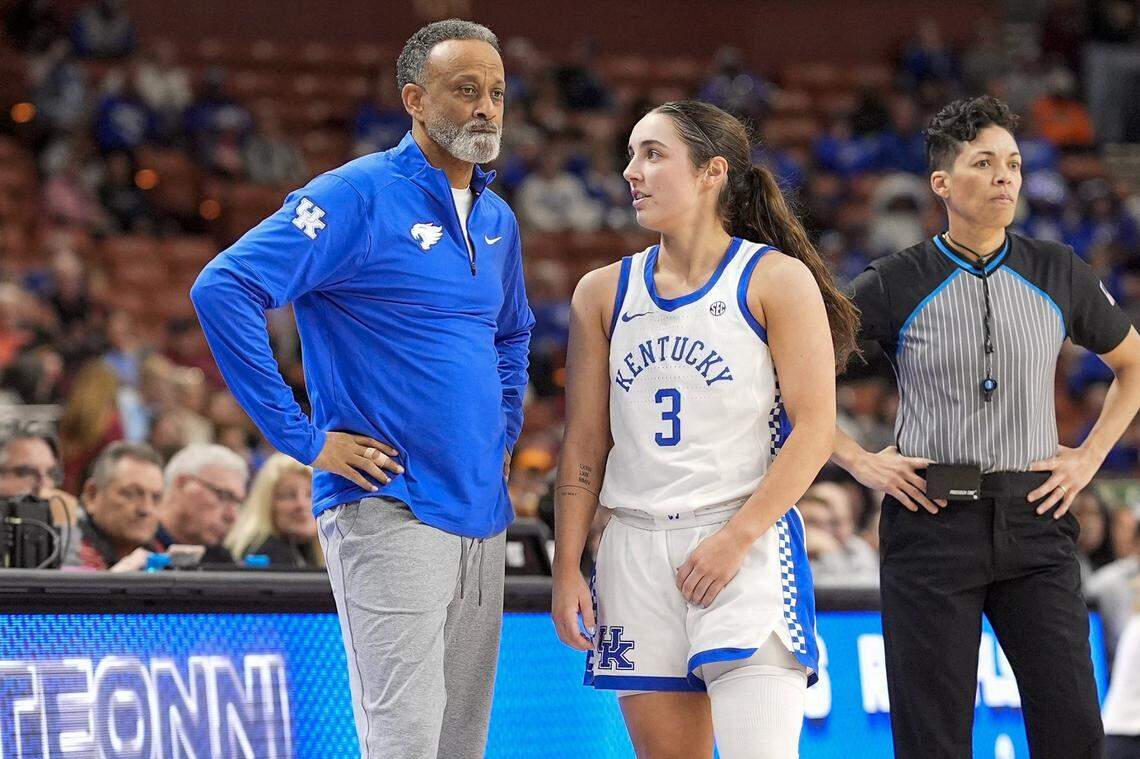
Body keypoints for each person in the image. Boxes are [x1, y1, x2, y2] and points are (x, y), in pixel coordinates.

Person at [190, 19, 533, 759]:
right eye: (466, 90)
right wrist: (303, 437)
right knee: (405, 740)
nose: (486, 109)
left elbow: (510, 334)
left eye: (497, 93)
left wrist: (503, 429)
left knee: (457, 743)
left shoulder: (499, 218)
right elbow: (225, 287)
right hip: (390, 503)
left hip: (482, 509)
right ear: (414, 98)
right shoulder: (356, 194)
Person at [831, 95, 1140, 759]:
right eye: (985, 162)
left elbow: (1132, 365)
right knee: (933, 740)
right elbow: (788, 381)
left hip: (1038, 518)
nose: (1006, 176)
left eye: (1014, 163)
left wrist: (1088, 460)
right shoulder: (893, 281)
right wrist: (860, 460)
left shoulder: (1059, 268)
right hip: (931, 521)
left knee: (1075, 733)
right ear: (942, 183)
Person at [552, 100, 858, 759]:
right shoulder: (600, 293)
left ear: (713, 171)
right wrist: (567, 564)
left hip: (741, 543)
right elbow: (582, 444)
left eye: (653, 153)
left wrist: (736, 538)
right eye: (631, 154)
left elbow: (814, 428)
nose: (632, 170)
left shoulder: (775, 278)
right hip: (631, 549)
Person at [68, 440, 164, 571]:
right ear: (92, 495)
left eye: (156, 498)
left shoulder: (158, 553)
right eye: (130, 494)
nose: (146, 509)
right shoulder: (65, 553)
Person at [224, 452, 323, 568]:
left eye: (311, 494)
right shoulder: (263, 558)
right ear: (266, 504)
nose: (301, 504)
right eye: (288, 495)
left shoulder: (309, 552)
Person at [156, 443, 248, 564]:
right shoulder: (133, 551)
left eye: (238, 503)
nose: (232, 516)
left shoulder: (224, 562)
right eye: (224, 496)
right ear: (181, 484)